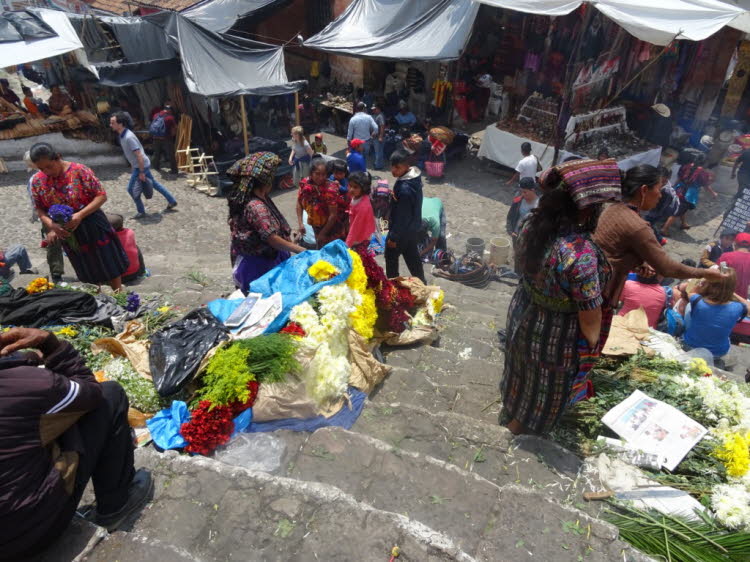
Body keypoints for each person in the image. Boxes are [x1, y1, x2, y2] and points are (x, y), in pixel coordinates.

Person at [0, 327, 152, 560]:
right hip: (26, 535)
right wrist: (52, 346)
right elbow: (92, 392)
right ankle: (115, 507)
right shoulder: (27, 384)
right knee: (110, 395)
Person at [502, 159, 618, 435]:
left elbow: (520, 267)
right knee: (544, 387)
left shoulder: (531, 223)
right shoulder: (581, 255)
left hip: (523, 310)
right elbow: (590, 320)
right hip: (555, 335)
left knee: (520, 368)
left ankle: (511, 412)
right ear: (588, 210)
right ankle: (520, 430)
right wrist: (592, 346)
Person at [593, 164, 724, 308]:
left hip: (593, 281)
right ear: (644, 190)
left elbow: (614, 249)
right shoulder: (638, 227)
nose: (660, 195)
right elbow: (667, 268)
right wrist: (704, 273)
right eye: (658, 189)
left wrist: (637, 263)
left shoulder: (613, 208)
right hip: (601, 292)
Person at [29, 142, 129, 291]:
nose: (46, 171)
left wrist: (80, 215)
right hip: (68, 233)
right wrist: (52, 225)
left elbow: (101, 196)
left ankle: (118, 293)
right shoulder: (38, 181)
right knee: (86, 267)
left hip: (92, 224)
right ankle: (98, 296)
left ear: (58, 157)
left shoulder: (79, 171)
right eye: (41, 168)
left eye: (49, 166)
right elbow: (40, 209)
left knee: (108, 263)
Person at [226, 152, 305, 293]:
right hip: (259, 266)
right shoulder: (256, 206)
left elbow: (271, 224)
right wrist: (300, 250)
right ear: (266, 181)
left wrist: (288, 233)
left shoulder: (260, 197)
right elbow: (271, 238)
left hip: (260, 260)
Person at [110, 112, 178, 219]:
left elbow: (139, 155)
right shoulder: (122, 135)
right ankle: (172, 200)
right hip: (140, 165)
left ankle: (141, 211)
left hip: (141, 166)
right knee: (154, 184)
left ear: (121, 124)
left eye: (113, 123)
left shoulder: (128, 137)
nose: (111, 125)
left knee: (131, 189)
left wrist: (141, 171)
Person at [682, 269, 748, 359]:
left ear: (710, 283)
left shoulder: (697, 300)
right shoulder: (738, 307)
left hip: (690, 346)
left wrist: (705, 278)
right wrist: (729, 290)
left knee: (690, 307)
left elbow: (692, 291)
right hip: (717, 353)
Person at [24, 150, 65, 282]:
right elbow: (35, 201)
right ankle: (56, 273)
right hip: (48, 217)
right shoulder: (35, 180)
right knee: (53, 244)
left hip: (66, 212)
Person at [386, 149, 425, 282]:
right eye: (392, 166)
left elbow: (403, 217)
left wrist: (393, 237)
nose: (393, 170)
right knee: (412, 257)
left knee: (391, 256)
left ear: (406, 166)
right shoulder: (414, 177)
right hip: (413, 228)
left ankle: (392, 287)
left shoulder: (405, 190)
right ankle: (422, 282)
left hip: (402, 230)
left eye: (397, 167)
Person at [662, 154, 717, 235]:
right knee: (677, 211)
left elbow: (679, 177)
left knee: (682, 208)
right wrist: (713, 193)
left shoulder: (686, 166)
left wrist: (674, 187)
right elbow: (705, 185)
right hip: (688, 194)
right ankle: (664, 229)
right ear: (704, 163)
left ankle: (683, 223)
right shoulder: (703, 173)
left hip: (679, 188)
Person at [296, 159, 344, 248]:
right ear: (311, 173)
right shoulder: (304, 184)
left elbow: (333, 215)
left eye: (324, 174)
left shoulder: (331, 189)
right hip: (315, 226)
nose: (321, 177)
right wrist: (300, 223)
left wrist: (323, 233)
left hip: (332, 227)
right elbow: (299, 203)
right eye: (317, 174)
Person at [644, 166, 679, 242]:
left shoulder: (666, 191)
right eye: (660, 181)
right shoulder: (659, 184)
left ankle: (659, 239)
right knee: (649, 224)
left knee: (648, 223)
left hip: (657, 212)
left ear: (667, 179)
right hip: (655, 210)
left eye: (663, 181)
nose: (661, 183)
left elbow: (662, 207)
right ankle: (659, 239)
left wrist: (652, 212)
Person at [107, 214, 146, 284]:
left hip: (119, 278)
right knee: (135, 247)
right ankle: (142, 271)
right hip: (135, 272)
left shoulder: (107, 239)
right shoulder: (130, 232)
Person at [346, 171, 376, 249]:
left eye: (355, 187)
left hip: (361, 237)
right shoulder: (357, 196)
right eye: (350, 186)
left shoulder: (363, 207)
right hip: (358, 231)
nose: (351, 189)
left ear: (363, 188)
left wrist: (347, 245)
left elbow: (355, 228)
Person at [149, 104, 178, 175]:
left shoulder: (156, 115)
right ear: (170, 110)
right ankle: (174, 170)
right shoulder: (170, 117)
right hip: (166, 138)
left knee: (157, 153)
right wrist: (172, 136)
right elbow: (174, 129)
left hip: (156, 138)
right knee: (171, 154)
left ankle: (156, 167)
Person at [720, 232, 750, 299]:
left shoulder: (725, 256)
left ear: (735, 244)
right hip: (741, 298)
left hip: (723, 295)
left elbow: (722, 274)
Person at [370, 104, 386, 170]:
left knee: (379, 151)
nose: (373, 110)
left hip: (378, 137)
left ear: (379, 109)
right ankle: (378, 163)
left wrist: (380, 137)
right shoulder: (376, 115)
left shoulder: (380, 116)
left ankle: (379, 166)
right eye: (373, 109)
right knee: (377, 151)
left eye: (375, 109)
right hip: (375, 137)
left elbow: (382, 126)